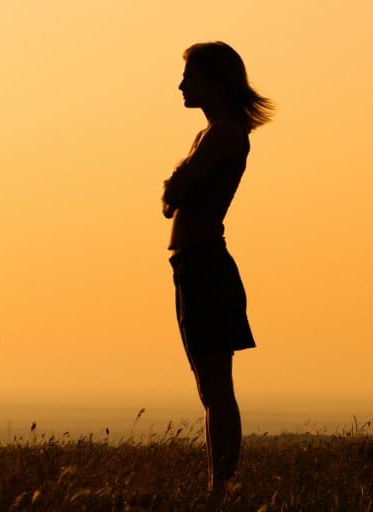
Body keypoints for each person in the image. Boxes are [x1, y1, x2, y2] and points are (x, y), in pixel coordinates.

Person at [163, 41, 273, 492]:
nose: (182, 85)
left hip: (205, 264)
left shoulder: (224, 134)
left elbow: (177, 191)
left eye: (191, 77)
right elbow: (175, 196)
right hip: (193, 264)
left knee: (216, 388)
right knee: (209, 387)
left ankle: (220, 487)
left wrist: (174, 184)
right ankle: (218, 485)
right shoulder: (210, 134)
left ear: (214, 81)